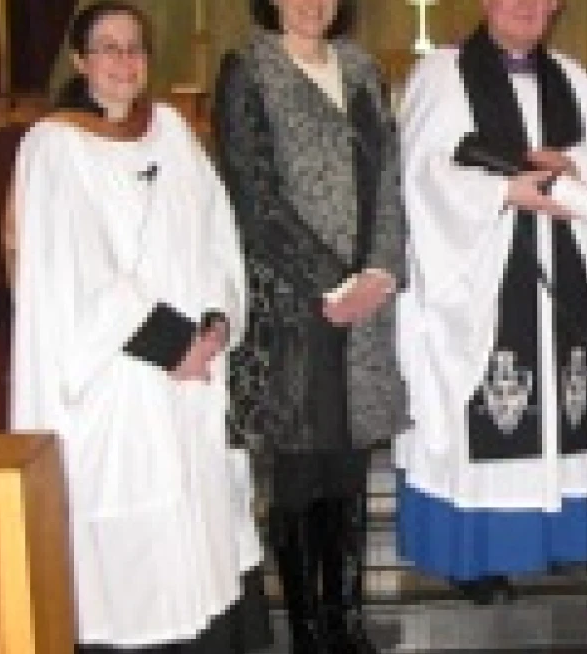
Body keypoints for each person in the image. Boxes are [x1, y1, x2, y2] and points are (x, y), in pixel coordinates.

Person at [9, 2, 269, 652]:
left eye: (135, 48)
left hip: (193, 376)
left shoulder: (174, 135)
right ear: (79, 60)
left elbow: (217, 235)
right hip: (120, 385)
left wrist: (216, 322)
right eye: (108, 48)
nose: (125, 61)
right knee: (137, 549)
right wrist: (172, 347)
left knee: (203, 530)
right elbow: (71, 276)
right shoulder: (54, 147)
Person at [394, 0, 587, 604]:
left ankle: (560, 542)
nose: (528, 5)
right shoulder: (442, 76)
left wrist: (576, 164)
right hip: (482, 280)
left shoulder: (576, 80)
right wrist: (504, 191)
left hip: (564, 271)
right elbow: (421, 174)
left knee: (562, 407)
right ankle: (474, 557)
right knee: (486, 407)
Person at [212, 0, 406, 651]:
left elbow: (389, 179)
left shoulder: (362, 68)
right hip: (293, 311)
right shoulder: (248, 69)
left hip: (365, 309)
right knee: (300, 477)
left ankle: (344, 624)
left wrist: (381, 269)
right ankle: (306, 632)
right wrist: (335, 280)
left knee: (349, 470)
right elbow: (254, 196)